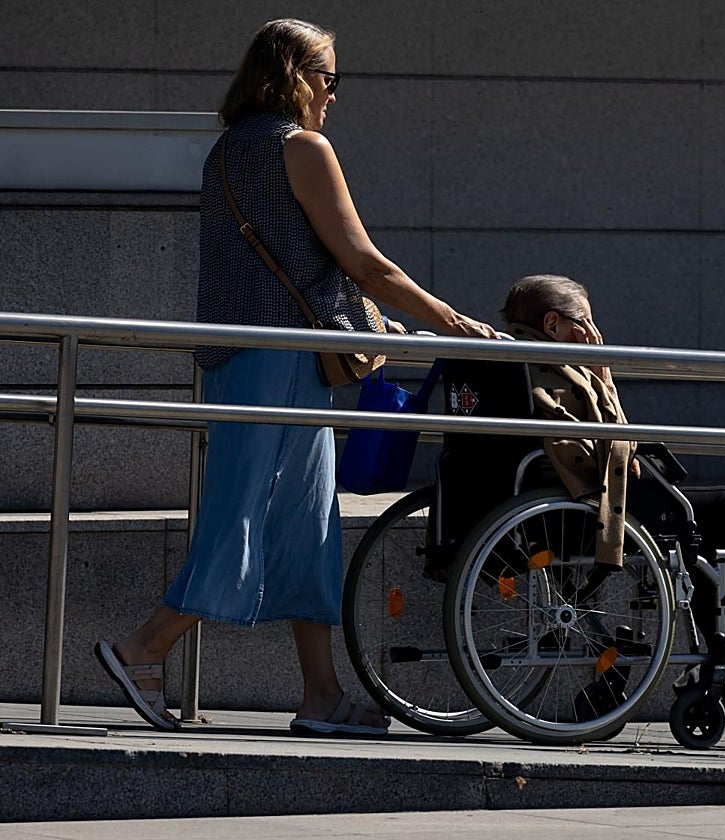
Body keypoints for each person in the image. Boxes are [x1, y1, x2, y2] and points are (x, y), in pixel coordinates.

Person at [95, 18, 497, 737]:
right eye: (328, 78)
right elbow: (364, 263)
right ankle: (142, 648)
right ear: (294, 75)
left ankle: (321, 695)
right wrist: (449, 319)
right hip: (282, 360)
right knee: (244, 517)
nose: (333, 95)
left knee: (307, 525)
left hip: (245, 360)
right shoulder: (301, 147)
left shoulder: (226, 153)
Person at [500, 274, 725, 717]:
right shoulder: (550, 369)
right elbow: (599, 445)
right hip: (583, 510)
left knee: (702, 511)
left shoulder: (518, 356)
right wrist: (603, 372)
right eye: (585, 323)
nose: (594, 334)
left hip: (559, 505)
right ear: (553, 323)